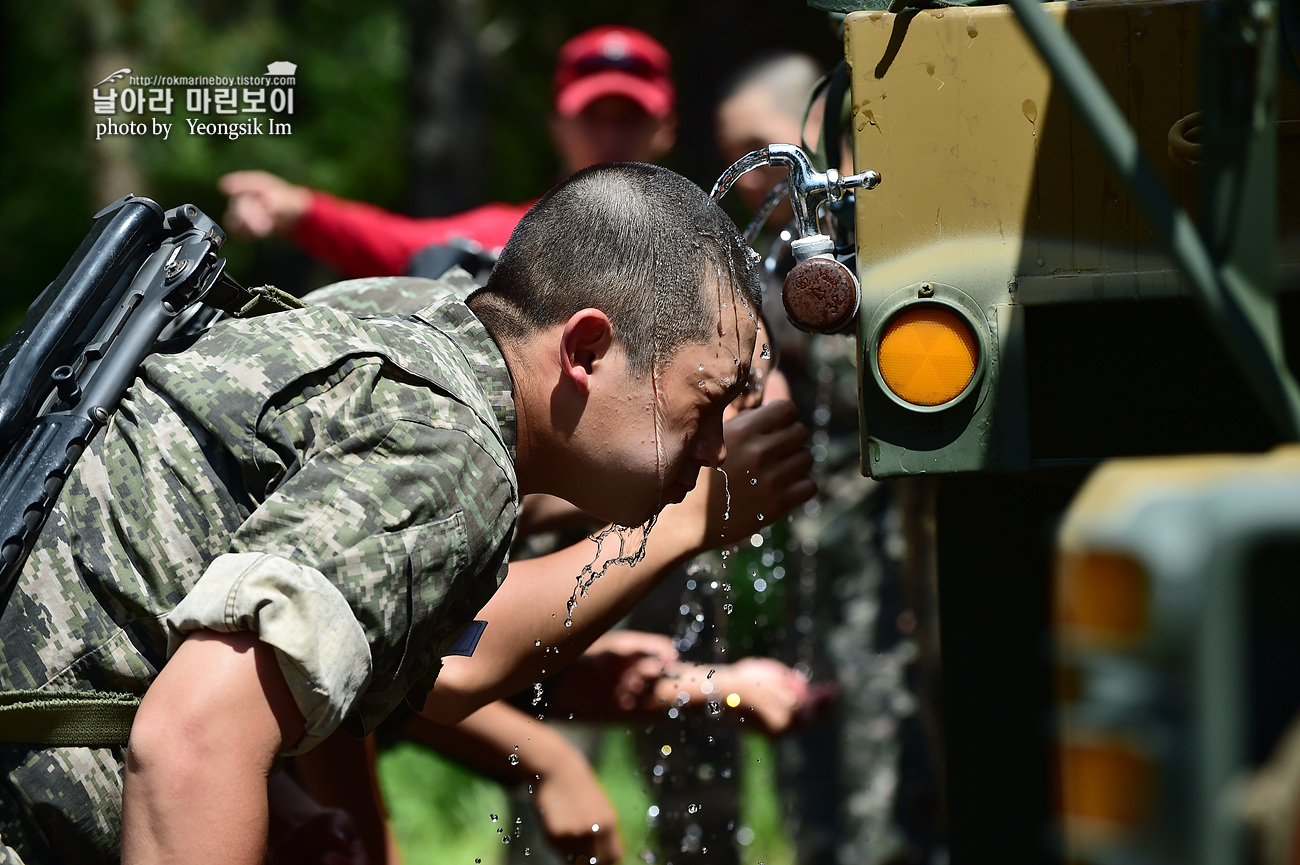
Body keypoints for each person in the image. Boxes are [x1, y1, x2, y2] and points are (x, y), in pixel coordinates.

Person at [0, 162, 813, 864]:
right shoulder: (447, 450)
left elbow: (411, 657)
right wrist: (684, 522)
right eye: (703, 404)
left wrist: (289, 812)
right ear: (586, 350)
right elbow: (194, 738)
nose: (714, 445)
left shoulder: (410, 336)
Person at [714, 53, 926, 865]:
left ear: (816, 130)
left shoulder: (896, 226)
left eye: (763, 149)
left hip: (890, 561)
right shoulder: (787, 253)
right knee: (813, 740)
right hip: (814, 553)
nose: (754, 181)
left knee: (893, 737)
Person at [218, 25, 679, 279]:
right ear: (557, 127)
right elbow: (407, 247)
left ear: (666, 130)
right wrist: (300, 209)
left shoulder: (703, 244)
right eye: (593, 116)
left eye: (630, 117)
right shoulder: (513, 236)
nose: (611, 133)